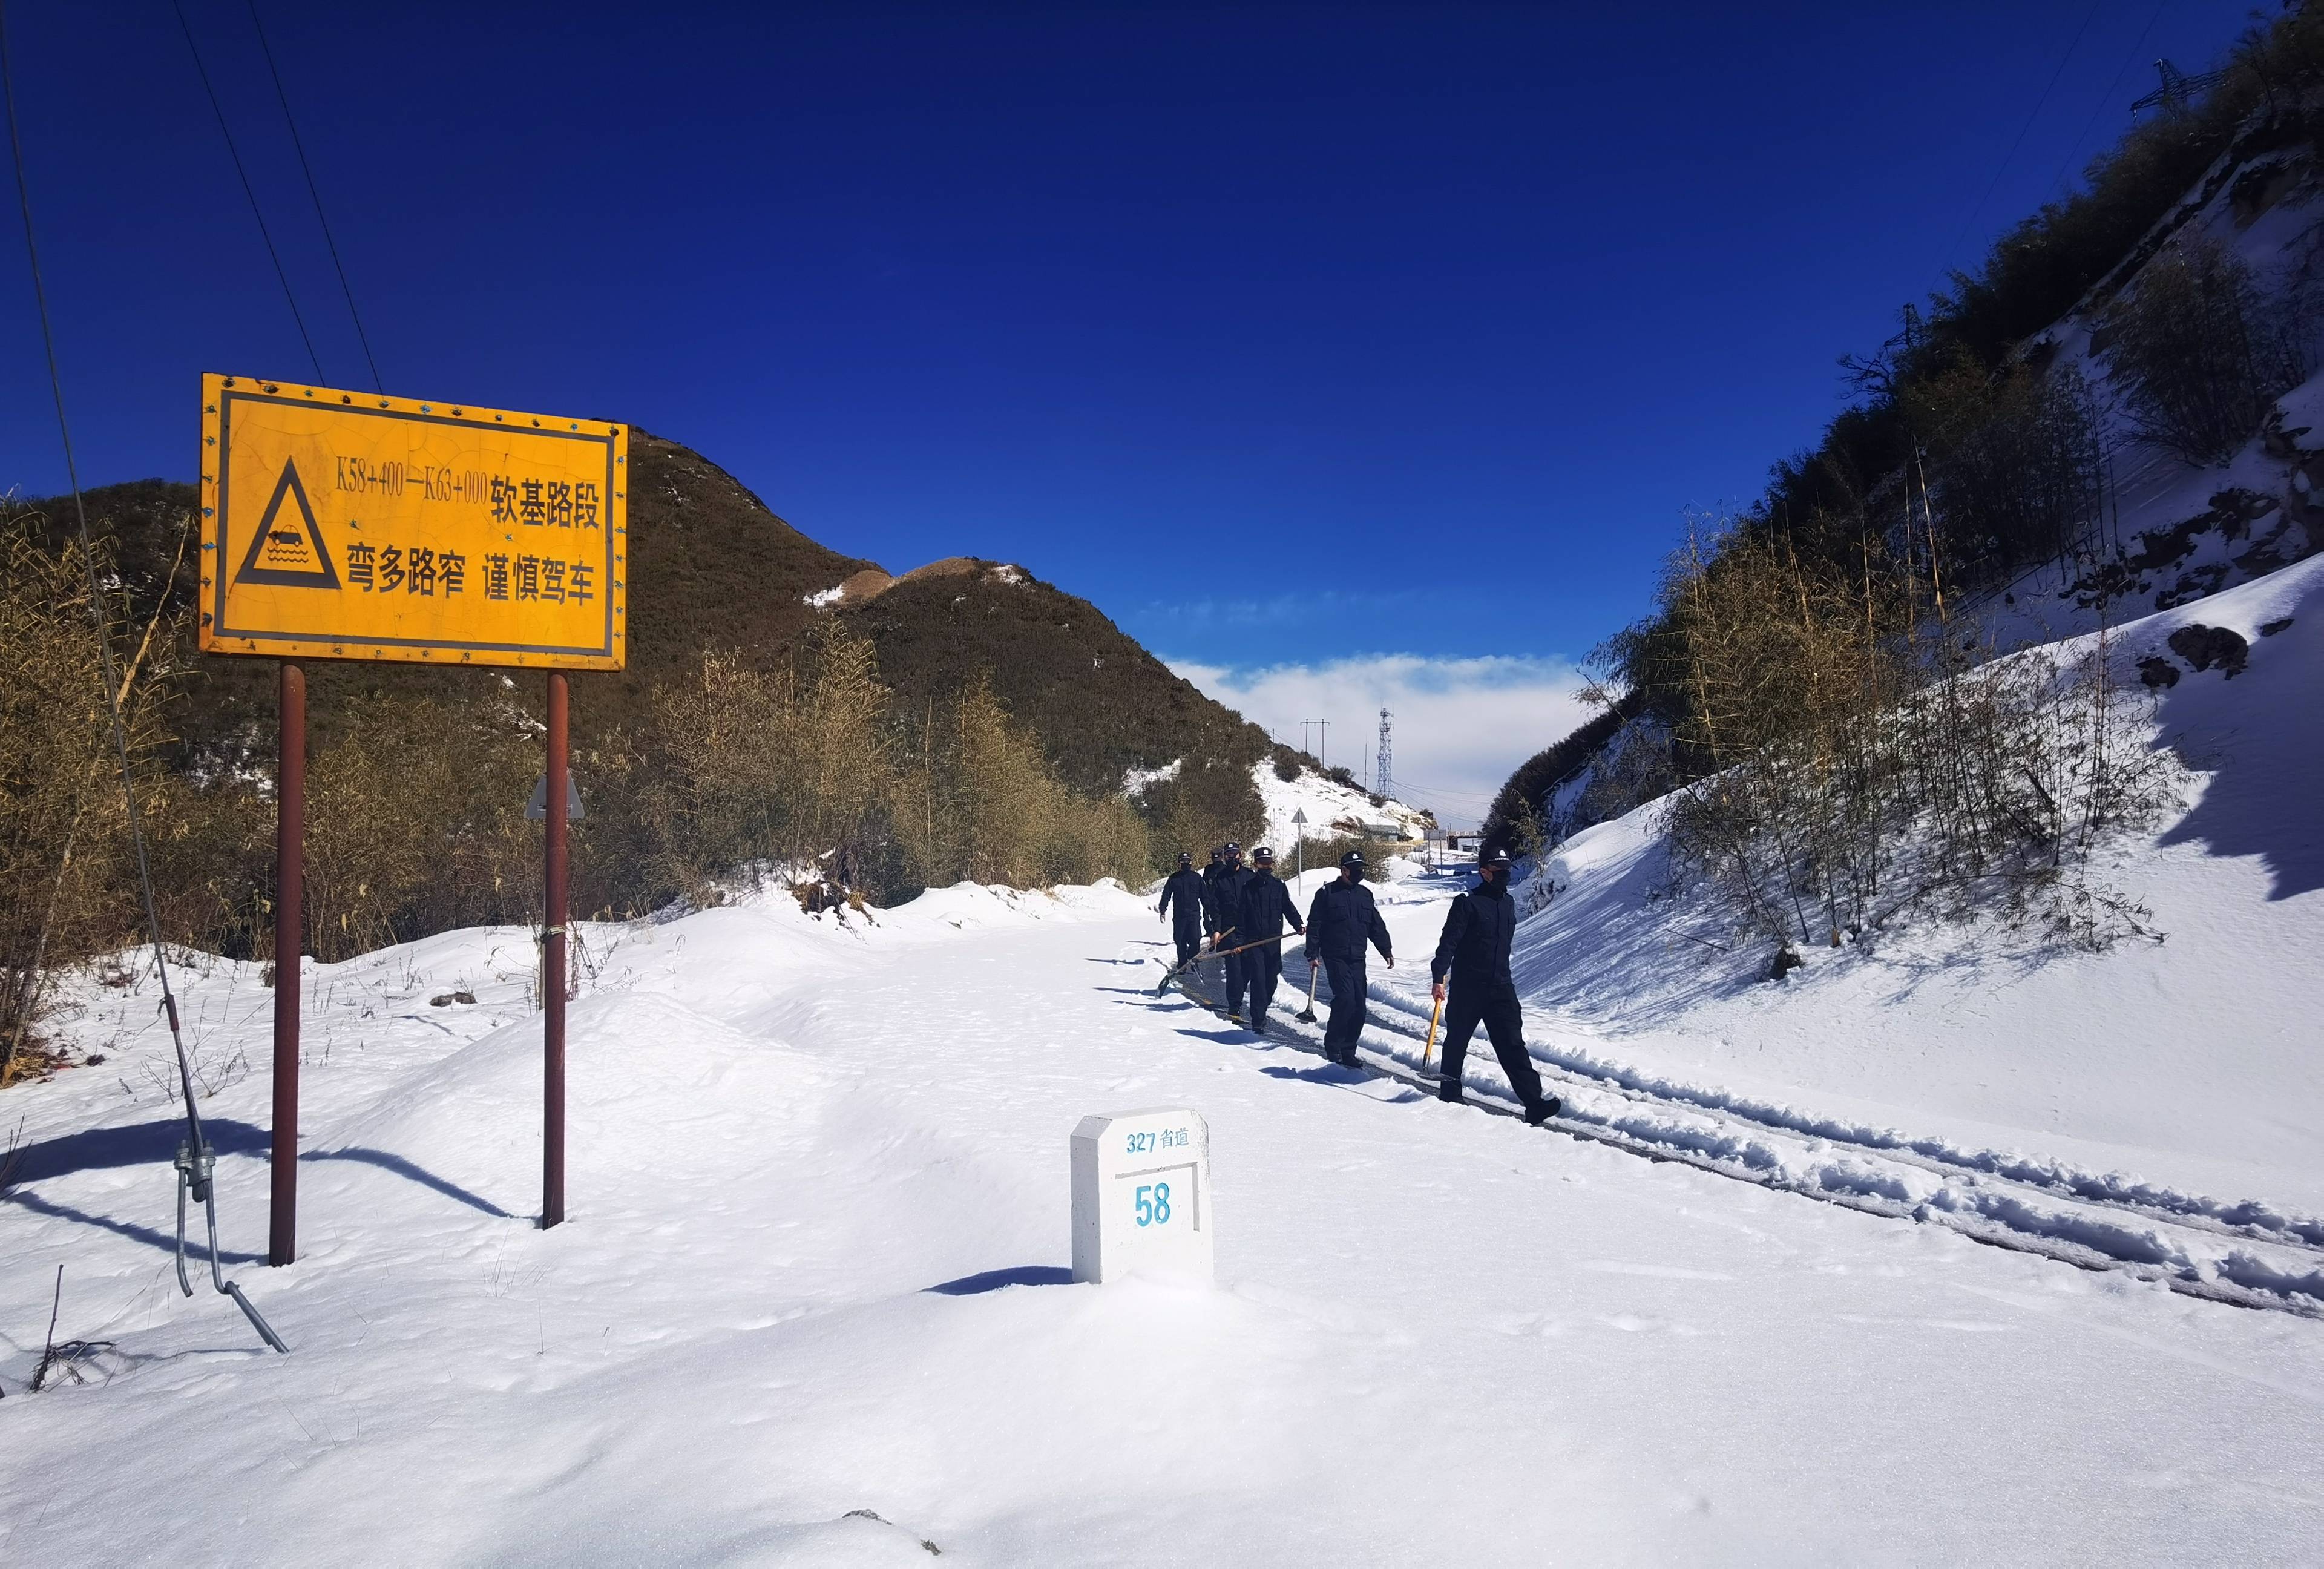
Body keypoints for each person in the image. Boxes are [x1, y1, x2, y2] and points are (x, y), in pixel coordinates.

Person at [1430, 846, 1560, 1125]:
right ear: (1485, 873)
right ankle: (1450, 1094)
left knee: (1512, 1044)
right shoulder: (1467, 903)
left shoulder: (1508, 903)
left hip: (1501, 986)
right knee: (1457, 1042)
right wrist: (1438, 977)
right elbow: (1449, 942)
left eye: (1507, 871)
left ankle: (1534, 1104)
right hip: (1468, 987)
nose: (1505, 876)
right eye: (1499, 872)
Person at [1305, 849, 1392, 1067]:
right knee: (1345, 999)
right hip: (1335, 956)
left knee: (1359, 1007)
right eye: (1355, 870)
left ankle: (1348, 1050)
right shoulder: (1327, 894)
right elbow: (1315, 925)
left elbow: (1375, 925)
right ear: (1344, 870)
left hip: (1357, 958)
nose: (1359, 873)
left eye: (1362, 869)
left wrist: (1386, 950)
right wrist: (1312, 954)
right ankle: (1333, 1046)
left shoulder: (1365, 895)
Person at [1233, 846, 1304, 1032]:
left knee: (1271, 978)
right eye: (1262, 864)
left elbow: (1287, 908)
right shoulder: (1248, 888)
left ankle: (1263, 1006)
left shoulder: (1278, 886)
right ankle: (1258, 1019)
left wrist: (1298, 924)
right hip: (1254, 942)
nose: (1266, 867)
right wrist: (1240, 941)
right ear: (1256, 864)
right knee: (1258, 979)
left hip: (1273, 942)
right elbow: (1241, 917)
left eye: (1269, 863)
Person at [1208, 843, 1253, 1021]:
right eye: (1228, 855)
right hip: (1229, 931)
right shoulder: (1219, 879)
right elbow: (1215, 907)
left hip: (1249, 931)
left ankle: (1238, 994)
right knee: (1234, 970)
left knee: (1247, 970)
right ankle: (1234, 1006)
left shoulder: (1250, 877)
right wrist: (1217, 930)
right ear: (1224, 857)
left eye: (1235, 854)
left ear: (1240, 855)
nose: (1232, 857)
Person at [1157, 851, 1207, 966]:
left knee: (1195, 939)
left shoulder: (1197, 878)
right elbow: (1166, 895)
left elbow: (1205, 897)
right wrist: (1163, 909)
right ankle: (1182, 963)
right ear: (1179, 864)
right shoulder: (1174, 879)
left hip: (1194, 915)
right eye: (1183, 862)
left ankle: (1192, 959)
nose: (1185, 864)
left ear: (1191, 862)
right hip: (1180, 916)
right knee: (1180, 941)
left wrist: (1209, 911)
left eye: (1187, 862)